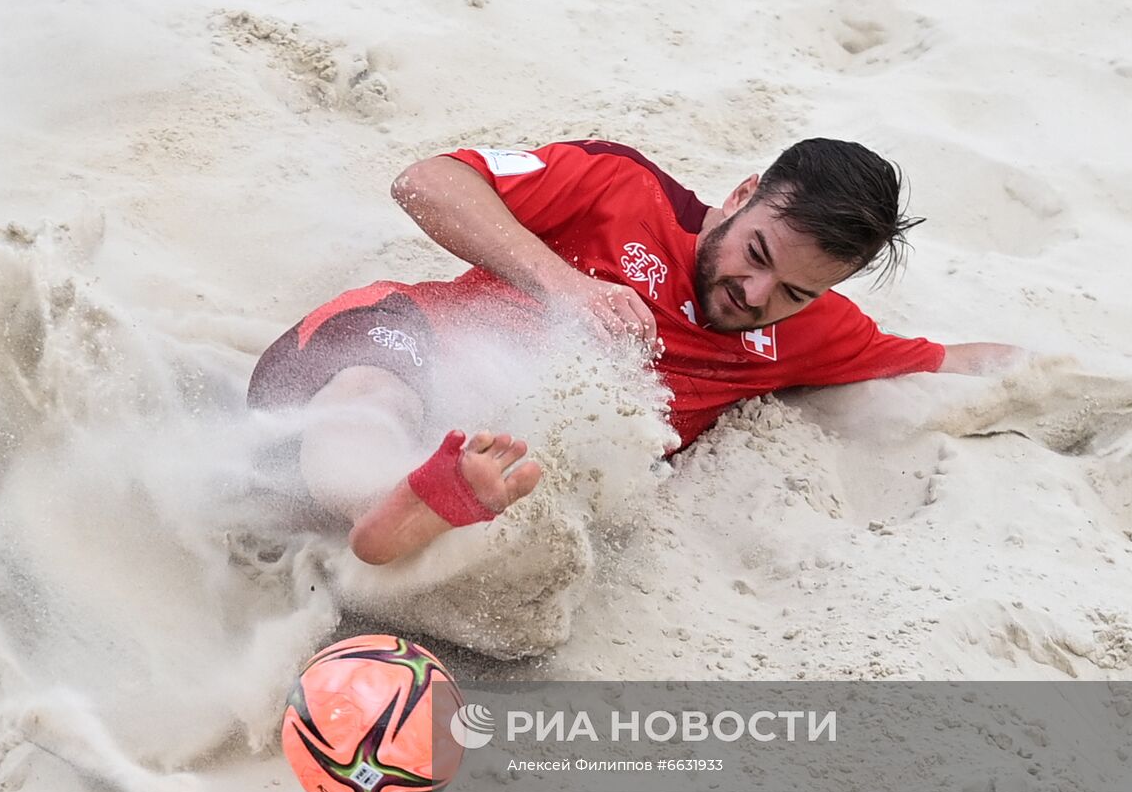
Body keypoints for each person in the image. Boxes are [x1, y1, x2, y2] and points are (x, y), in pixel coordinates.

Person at [247, 138, 1022, 565]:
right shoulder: (621, 188)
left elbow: (957, 364)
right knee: (372, 399)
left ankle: (429, 506)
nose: (755, 294)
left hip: (493, 464)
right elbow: (425, 181)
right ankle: (385, 511)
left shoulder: (811, 334)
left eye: (793, 291)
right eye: (755, 254)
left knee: (517, 514)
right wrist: (565, 286)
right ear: (742, 192)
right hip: (400, 339)